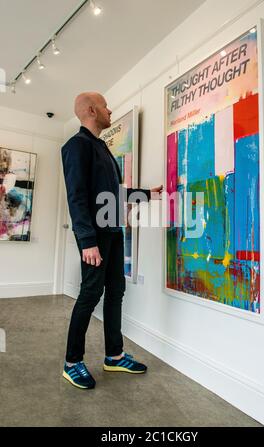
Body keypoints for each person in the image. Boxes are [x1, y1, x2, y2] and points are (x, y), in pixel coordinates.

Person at [61, 92, 163, 389]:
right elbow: (76, 196)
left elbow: (113, 194)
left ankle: (114, 356)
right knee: (90, 293)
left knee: (116, 291)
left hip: (114, 230)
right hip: (94, 235)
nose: (110, 110)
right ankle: (72, 362)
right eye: (105, 106)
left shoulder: (102, 148)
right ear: (92, 110)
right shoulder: (76, 146)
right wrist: (87, 239)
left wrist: (148, 194)